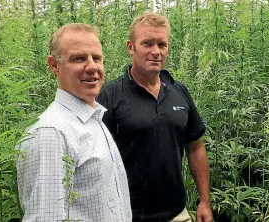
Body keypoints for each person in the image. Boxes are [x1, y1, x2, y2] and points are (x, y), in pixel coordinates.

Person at [97, 13, 213, 222]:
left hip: (178, 214)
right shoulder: (111, 96)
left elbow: (195, 146)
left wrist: (204, 201)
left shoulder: (179, 92)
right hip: (127, 215)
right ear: (130, 47)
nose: (156, 52)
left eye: (162, 44)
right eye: (147, 44)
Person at [16, 23, 132, 222]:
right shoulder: (51, 133)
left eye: (96, 58)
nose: (92, 67)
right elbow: (46, 217)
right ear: (54, 65)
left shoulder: (92, 118)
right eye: (79, 59)